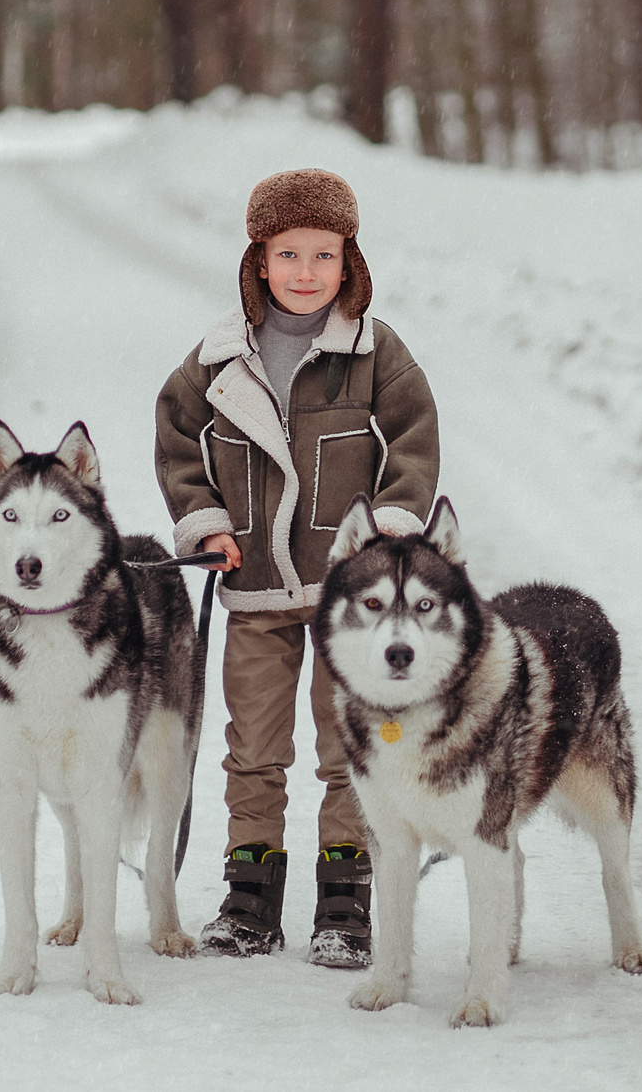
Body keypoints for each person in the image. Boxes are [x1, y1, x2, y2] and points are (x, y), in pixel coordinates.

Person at [154, 168, 440, 969]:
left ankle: (346, 895)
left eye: (324, 255)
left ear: (350, 261)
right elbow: (178, 437)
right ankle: (251, 891)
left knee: (348, 742)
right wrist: (204, 521)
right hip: (252, 585)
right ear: (259, 261)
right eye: (289, 255)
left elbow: (414, 441)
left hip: (348, 595)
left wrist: (389, 528)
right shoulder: (218, 359)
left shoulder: (375, 353)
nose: (306, 273)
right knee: (254, 744)